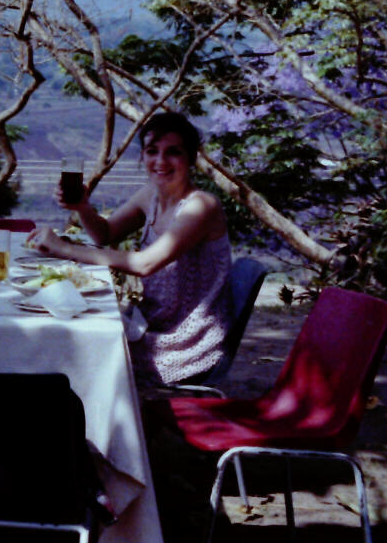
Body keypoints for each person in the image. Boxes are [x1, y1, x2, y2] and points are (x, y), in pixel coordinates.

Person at [28, 112, 233, 385]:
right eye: (152, 151)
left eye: (173, 152)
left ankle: (98, 425)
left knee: (75, 353)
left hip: (185, 342)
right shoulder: (150, 195)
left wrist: (61, 247)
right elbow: (105, 234)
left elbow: (144, 264)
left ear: (192, 158)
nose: (160, 161)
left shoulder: (201, 205)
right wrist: (83, 207)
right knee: (60, 335)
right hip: (149, 323)